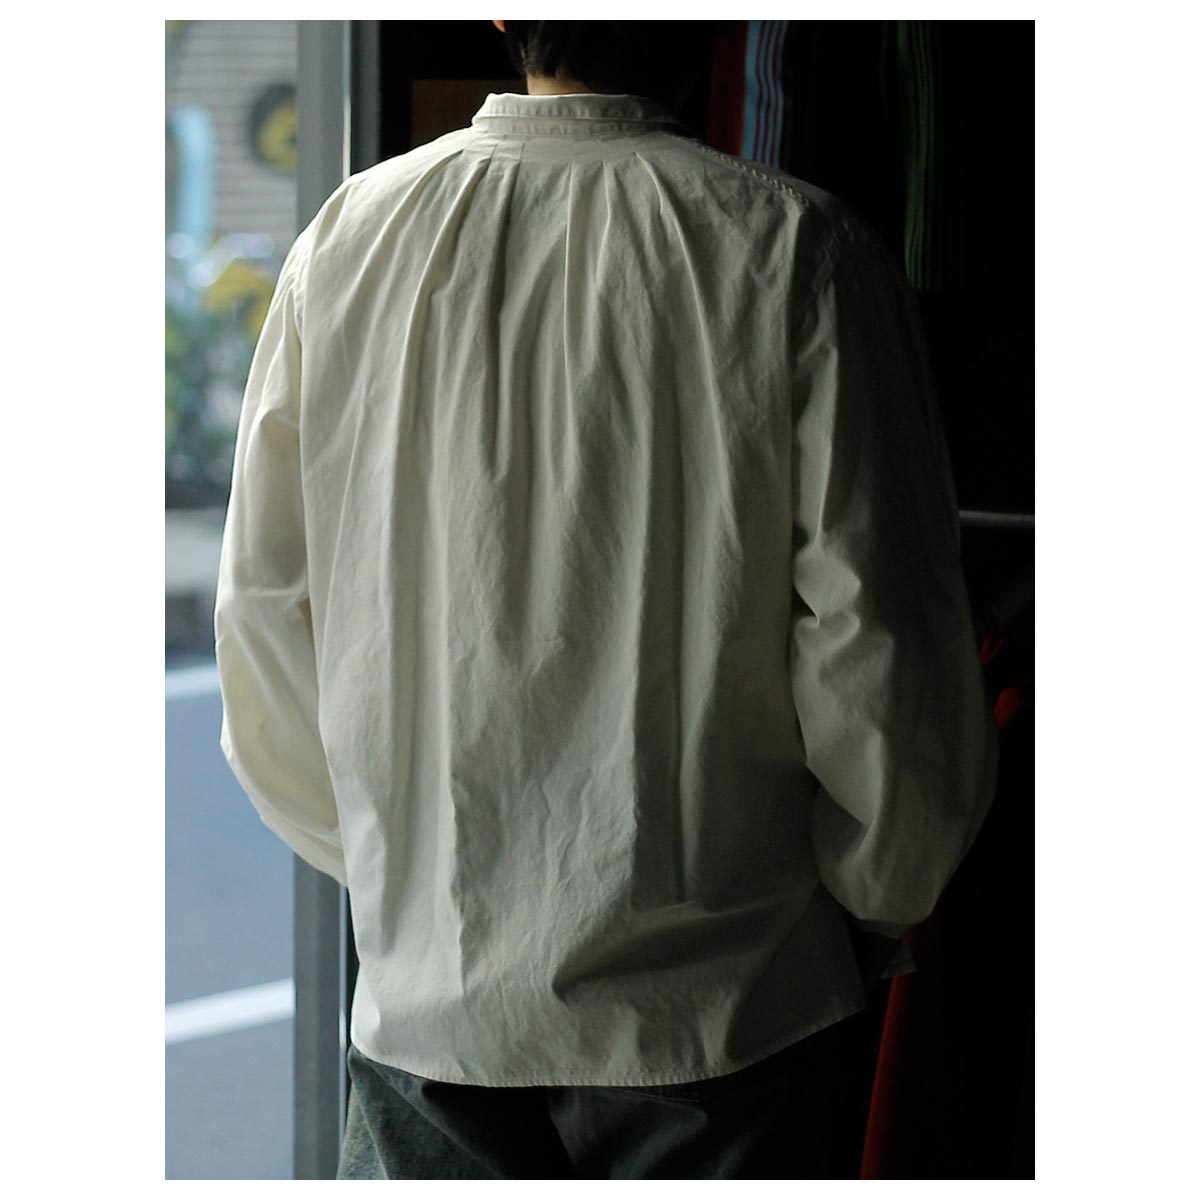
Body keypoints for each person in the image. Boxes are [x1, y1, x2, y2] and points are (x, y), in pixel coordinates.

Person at [213, 18, 999, 1180]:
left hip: (429, 1023)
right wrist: (874, 897)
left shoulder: (344, 244)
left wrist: (407, 882)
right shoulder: (799, 250)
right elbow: (881, 649)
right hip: (732, 1020)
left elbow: (266, 622)